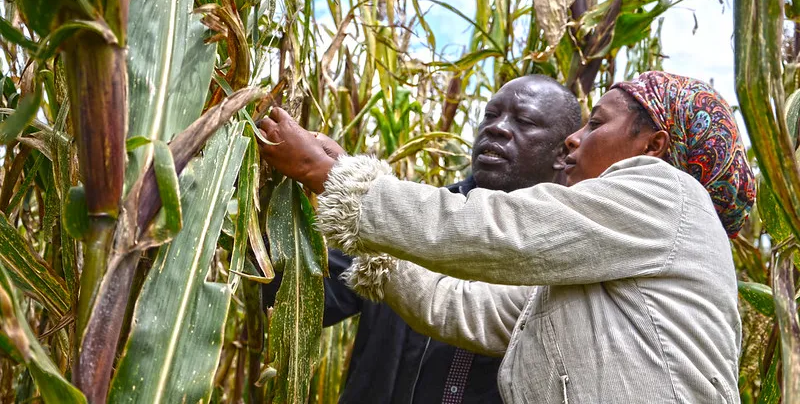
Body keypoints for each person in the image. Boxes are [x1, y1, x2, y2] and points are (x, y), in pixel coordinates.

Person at [258, 71, 756, 403]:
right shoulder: (584, 270)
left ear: (653, 146)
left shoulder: (669, 194)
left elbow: (503, 231)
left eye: (597, 123)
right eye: (490, 117)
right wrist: (347, 198)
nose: (575, 140)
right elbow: (459, 307)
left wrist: (325, 173)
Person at [261, 75, 583, 403]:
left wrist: (325, 172)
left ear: (563, 152)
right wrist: (263, 202)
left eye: (524, 121)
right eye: (489, 115)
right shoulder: (399, 216)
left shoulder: (573, 252)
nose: (496, 128)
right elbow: (306, 297)